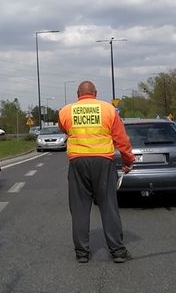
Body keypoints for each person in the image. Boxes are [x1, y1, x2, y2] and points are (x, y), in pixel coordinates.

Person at [58, 80, 135, 264]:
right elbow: (121, 139)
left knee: (79, 208)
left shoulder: (66, 111)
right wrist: (127, 160)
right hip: (103, 162)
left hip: (77, 162)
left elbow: (65, 129)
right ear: (96, 93)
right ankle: (117, 251)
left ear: (78, 94)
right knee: (108, 206)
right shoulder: (108, 110)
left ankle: (82, 253)